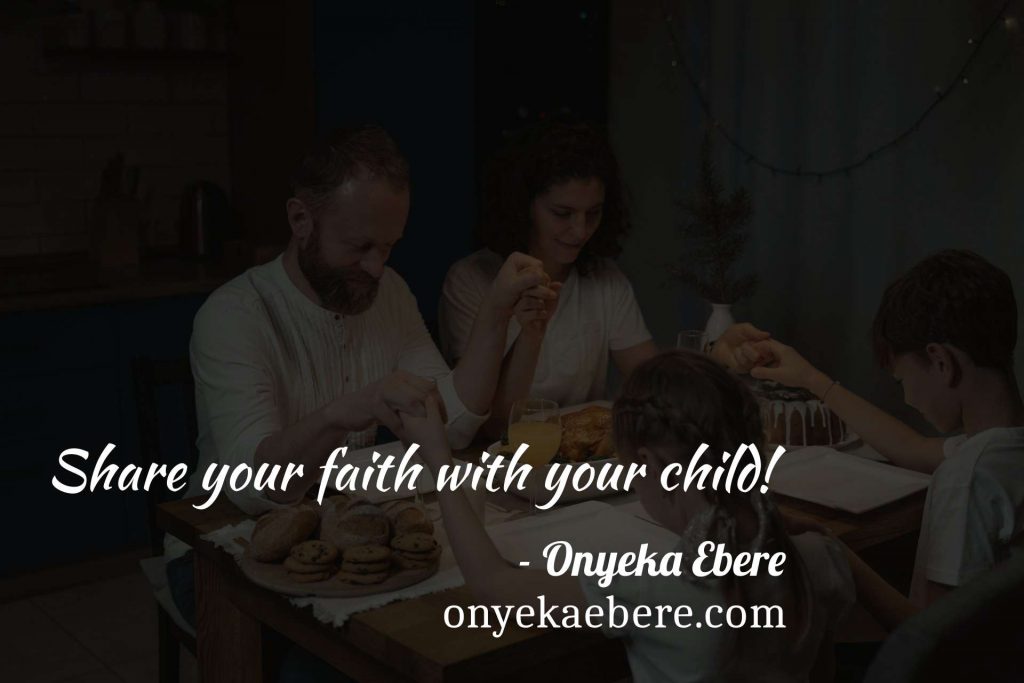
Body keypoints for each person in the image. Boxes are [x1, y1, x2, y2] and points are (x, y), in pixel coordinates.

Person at [401, 351, 854, 682]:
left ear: (651, 464)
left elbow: (492, 584)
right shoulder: (818, 558)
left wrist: (439, 457)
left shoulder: (663, 591)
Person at [180, 124, 554, 518]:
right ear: (300, 220)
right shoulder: (234, 315)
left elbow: (452, 427)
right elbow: (253, 487)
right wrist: (340, 413)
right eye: (359, 247)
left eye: (388, 247)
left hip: (342, 524)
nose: (376, 268)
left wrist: (496, 312)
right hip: (221, 539)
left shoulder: (390, 291)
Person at [439, 120, 769, 437]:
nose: (580, 231)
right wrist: (530, 333)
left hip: (583, 457)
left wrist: (713, 357)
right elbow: (496, 427)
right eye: (562, 214)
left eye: (593, 214)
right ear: (524, 205)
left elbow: (652, 382)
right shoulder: (471, 280)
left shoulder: (605, 279)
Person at [749, 249, 1024, 628]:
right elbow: (911, 449)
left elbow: (931, 642)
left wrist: (833, 547)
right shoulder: (1000, 450)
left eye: (903, 382)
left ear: (941, 362)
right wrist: (811, 379)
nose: (908, 399)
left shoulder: (968, 479)